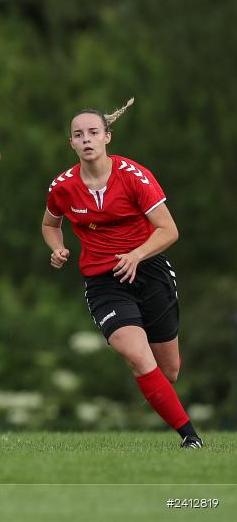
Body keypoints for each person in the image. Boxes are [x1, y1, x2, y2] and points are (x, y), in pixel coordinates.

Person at [42, 98, 203, 449]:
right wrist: (57, 248)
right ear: (70, 142)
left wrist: (137, 254)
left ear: (107, 138)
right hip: (103, 281)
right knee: (135, 354)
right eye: (78, 134)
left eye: (93, 133)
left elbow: (169, 230)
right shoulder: (63, 186)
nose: (86, 139)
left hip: (149, 270)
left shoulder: (134, 176)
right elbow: (50, 223)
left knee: (169, 370)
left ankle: (160, 396)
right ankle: (190, 438)